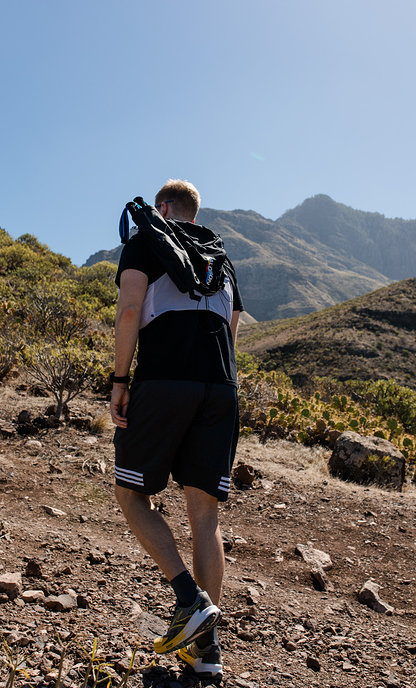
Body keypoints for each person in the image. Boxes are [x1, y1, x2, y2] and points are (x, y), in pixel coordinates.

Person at [110, 179, 244, 679]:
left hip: (165, 381)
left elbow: (128, 310)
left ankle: (189, 600)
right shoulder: (221, 256)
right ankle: (207, 655)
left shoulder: (145, 239)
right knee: (204, 521)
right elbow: (231, 329)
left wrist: (120, 379)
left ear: (163, 208)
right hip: (221, 388)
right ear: (194, 212)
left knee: (130, 494)